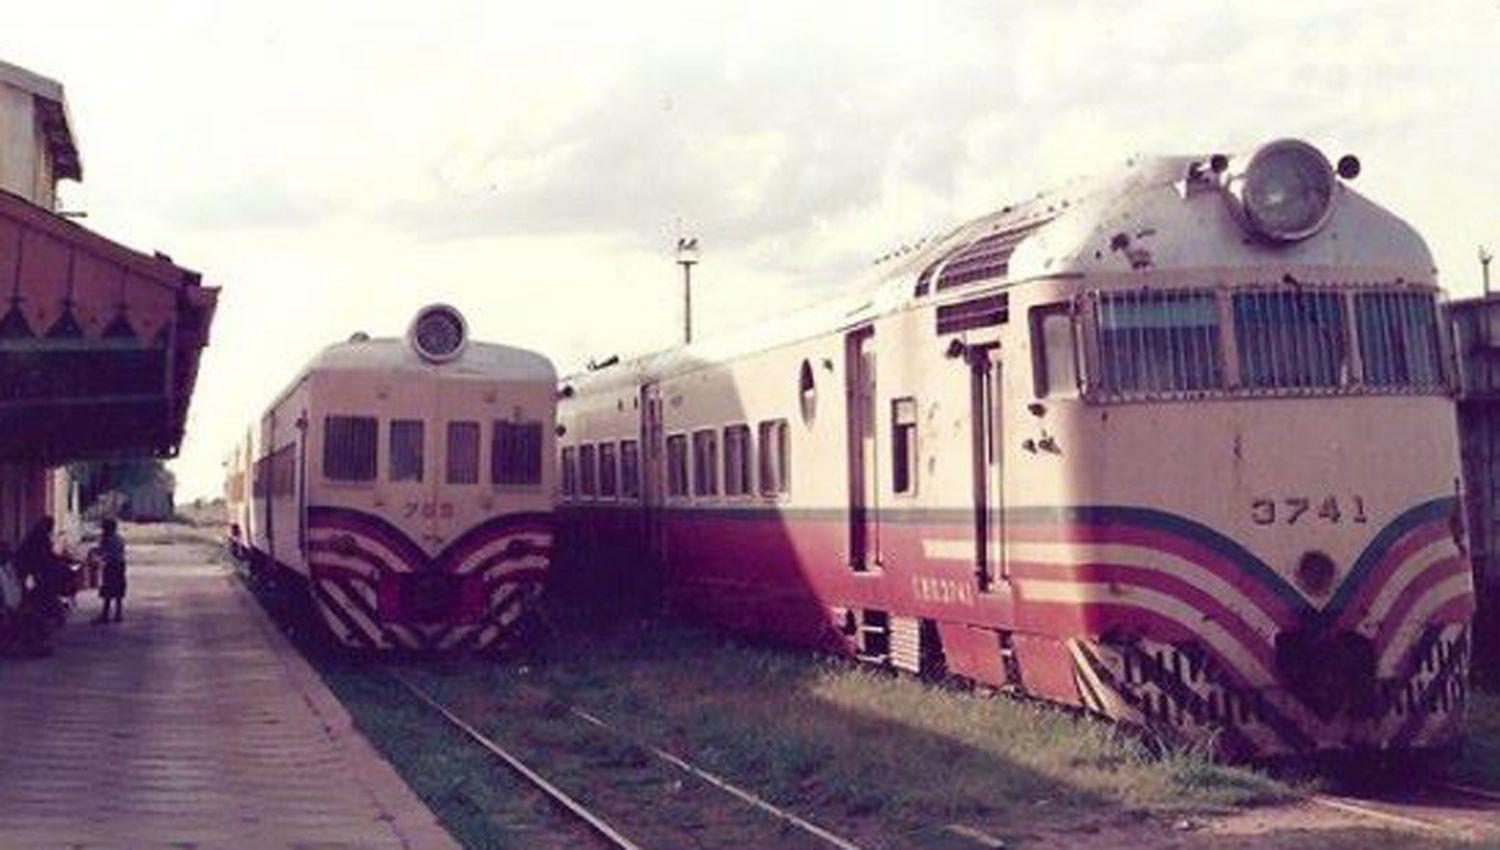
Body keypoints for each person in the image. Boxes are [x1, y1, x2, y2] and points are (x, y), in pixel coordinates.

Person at [94, 519, 127, 624]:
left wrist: (95, 553)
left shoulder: (106, 539)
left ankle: (105, 614)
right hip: (120, 565)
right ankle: (118, 614)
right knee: (118, 589)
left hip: (111, 566)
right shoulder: (119, 538)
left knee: (108, 589)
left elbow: (102, 552)